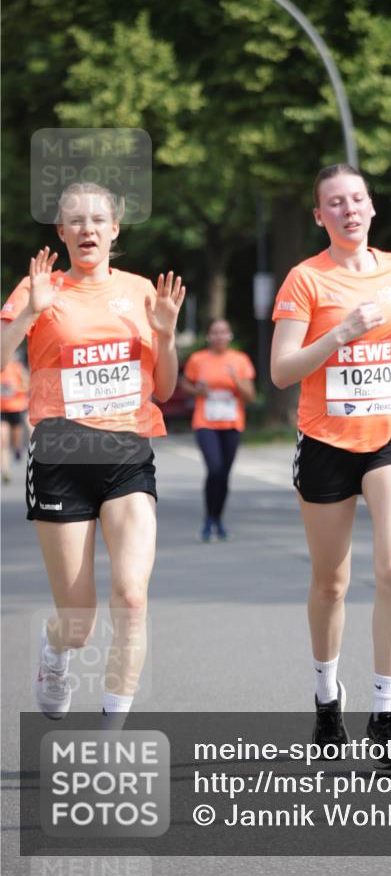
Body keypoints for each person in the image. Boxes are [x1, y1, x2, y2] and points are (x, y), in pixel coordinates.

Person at [0, 182, 185, 724]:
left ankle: (110, 737)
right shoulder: (40, 288)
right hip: (60, 458)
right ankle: (55, 651)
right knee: (77, 623)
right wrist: (31, 313)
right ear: (60, 232)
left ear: (115, 229)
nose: (87, 229)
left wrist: (168, 338)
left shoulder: (140, 290)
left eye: (98, 220)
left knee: (130, 599)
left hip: (128, 455)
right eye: (75, 221)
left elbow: (166, 390)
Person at [271, 163, 391, 767]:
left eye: (358, 199)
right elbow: (283, 371)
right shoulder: (304, 280)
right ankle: (325, 700)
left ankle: (387, 714)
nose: (349, 209)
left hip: (390, 430)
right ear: (320, 216)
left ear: (371, 207)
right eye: (335, 203)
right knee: (331, 582)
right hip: (325, 442)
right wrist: (340, 332)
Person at [181, 319, 256, 541]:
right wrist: (197, 390)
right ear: (208, 336)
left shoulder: (240, 360)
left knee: (224, 474)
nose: (219, 336)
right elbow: (185, 384)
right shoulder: (198, 359)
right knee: (214, 469)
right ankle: (208, 519)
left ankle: (217, 519)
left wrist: (235, 379)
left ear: (230, 335)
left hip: (232, 423)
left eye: (223, 332)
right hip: (206, 422)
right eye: (215, 332)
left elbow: (250, 396)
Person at [1, 351, 29, 482]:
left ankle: (18, 449)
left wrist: (16, 388)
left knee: (16, 441)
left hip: (16, 408)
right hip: (2, 410)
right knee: (3, 440)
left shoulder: (16, 368)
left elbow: (27, 386)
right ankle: (5, 471)